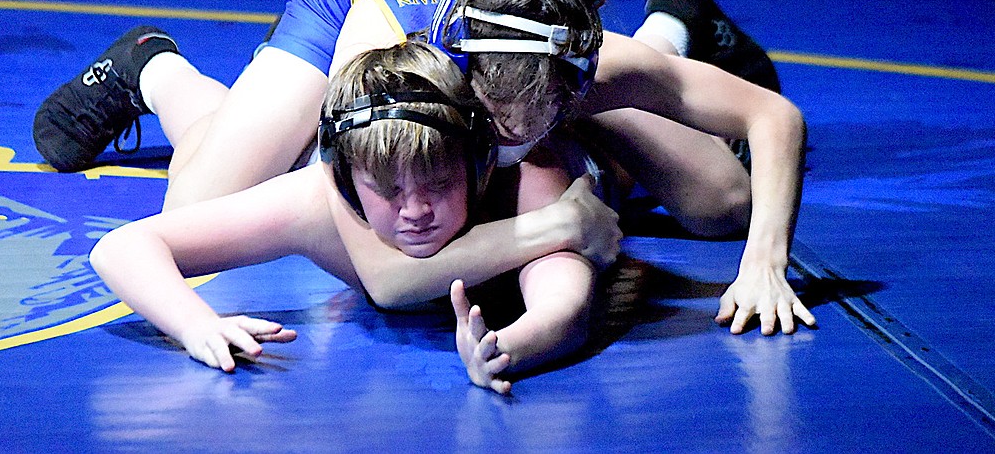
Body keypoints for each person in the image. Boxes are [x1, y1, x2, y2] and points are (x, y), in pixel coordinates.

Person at [36, 0, 814, 336]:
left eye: (537, 120)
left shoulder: (577, 63)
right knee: (195, 205)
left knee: (725, 205)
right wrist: (559, 226)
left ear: (570, 88)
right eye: (495, 124)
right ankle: (157, 70)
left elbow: (772, 116)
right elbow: (384, 274)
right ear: (467, 92)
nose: (515, 140)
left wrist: (765, 265)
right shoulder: (391, 66)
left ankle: (673, 21)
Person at [89, 40, 614, 394]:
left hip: (587, 135)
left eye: (438, 183)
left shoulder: (528, 186)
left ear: (479, 164)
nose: (416, 212)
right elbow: (121, 248)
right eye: (388, 192)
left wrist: (505, 351)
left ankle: (669, 29)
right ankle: (156, 67)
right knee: (202, 171)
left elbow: (566, 304)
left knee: (627, 119)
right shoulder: (320, 199)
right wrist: (195, 324)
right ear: (344, 181)